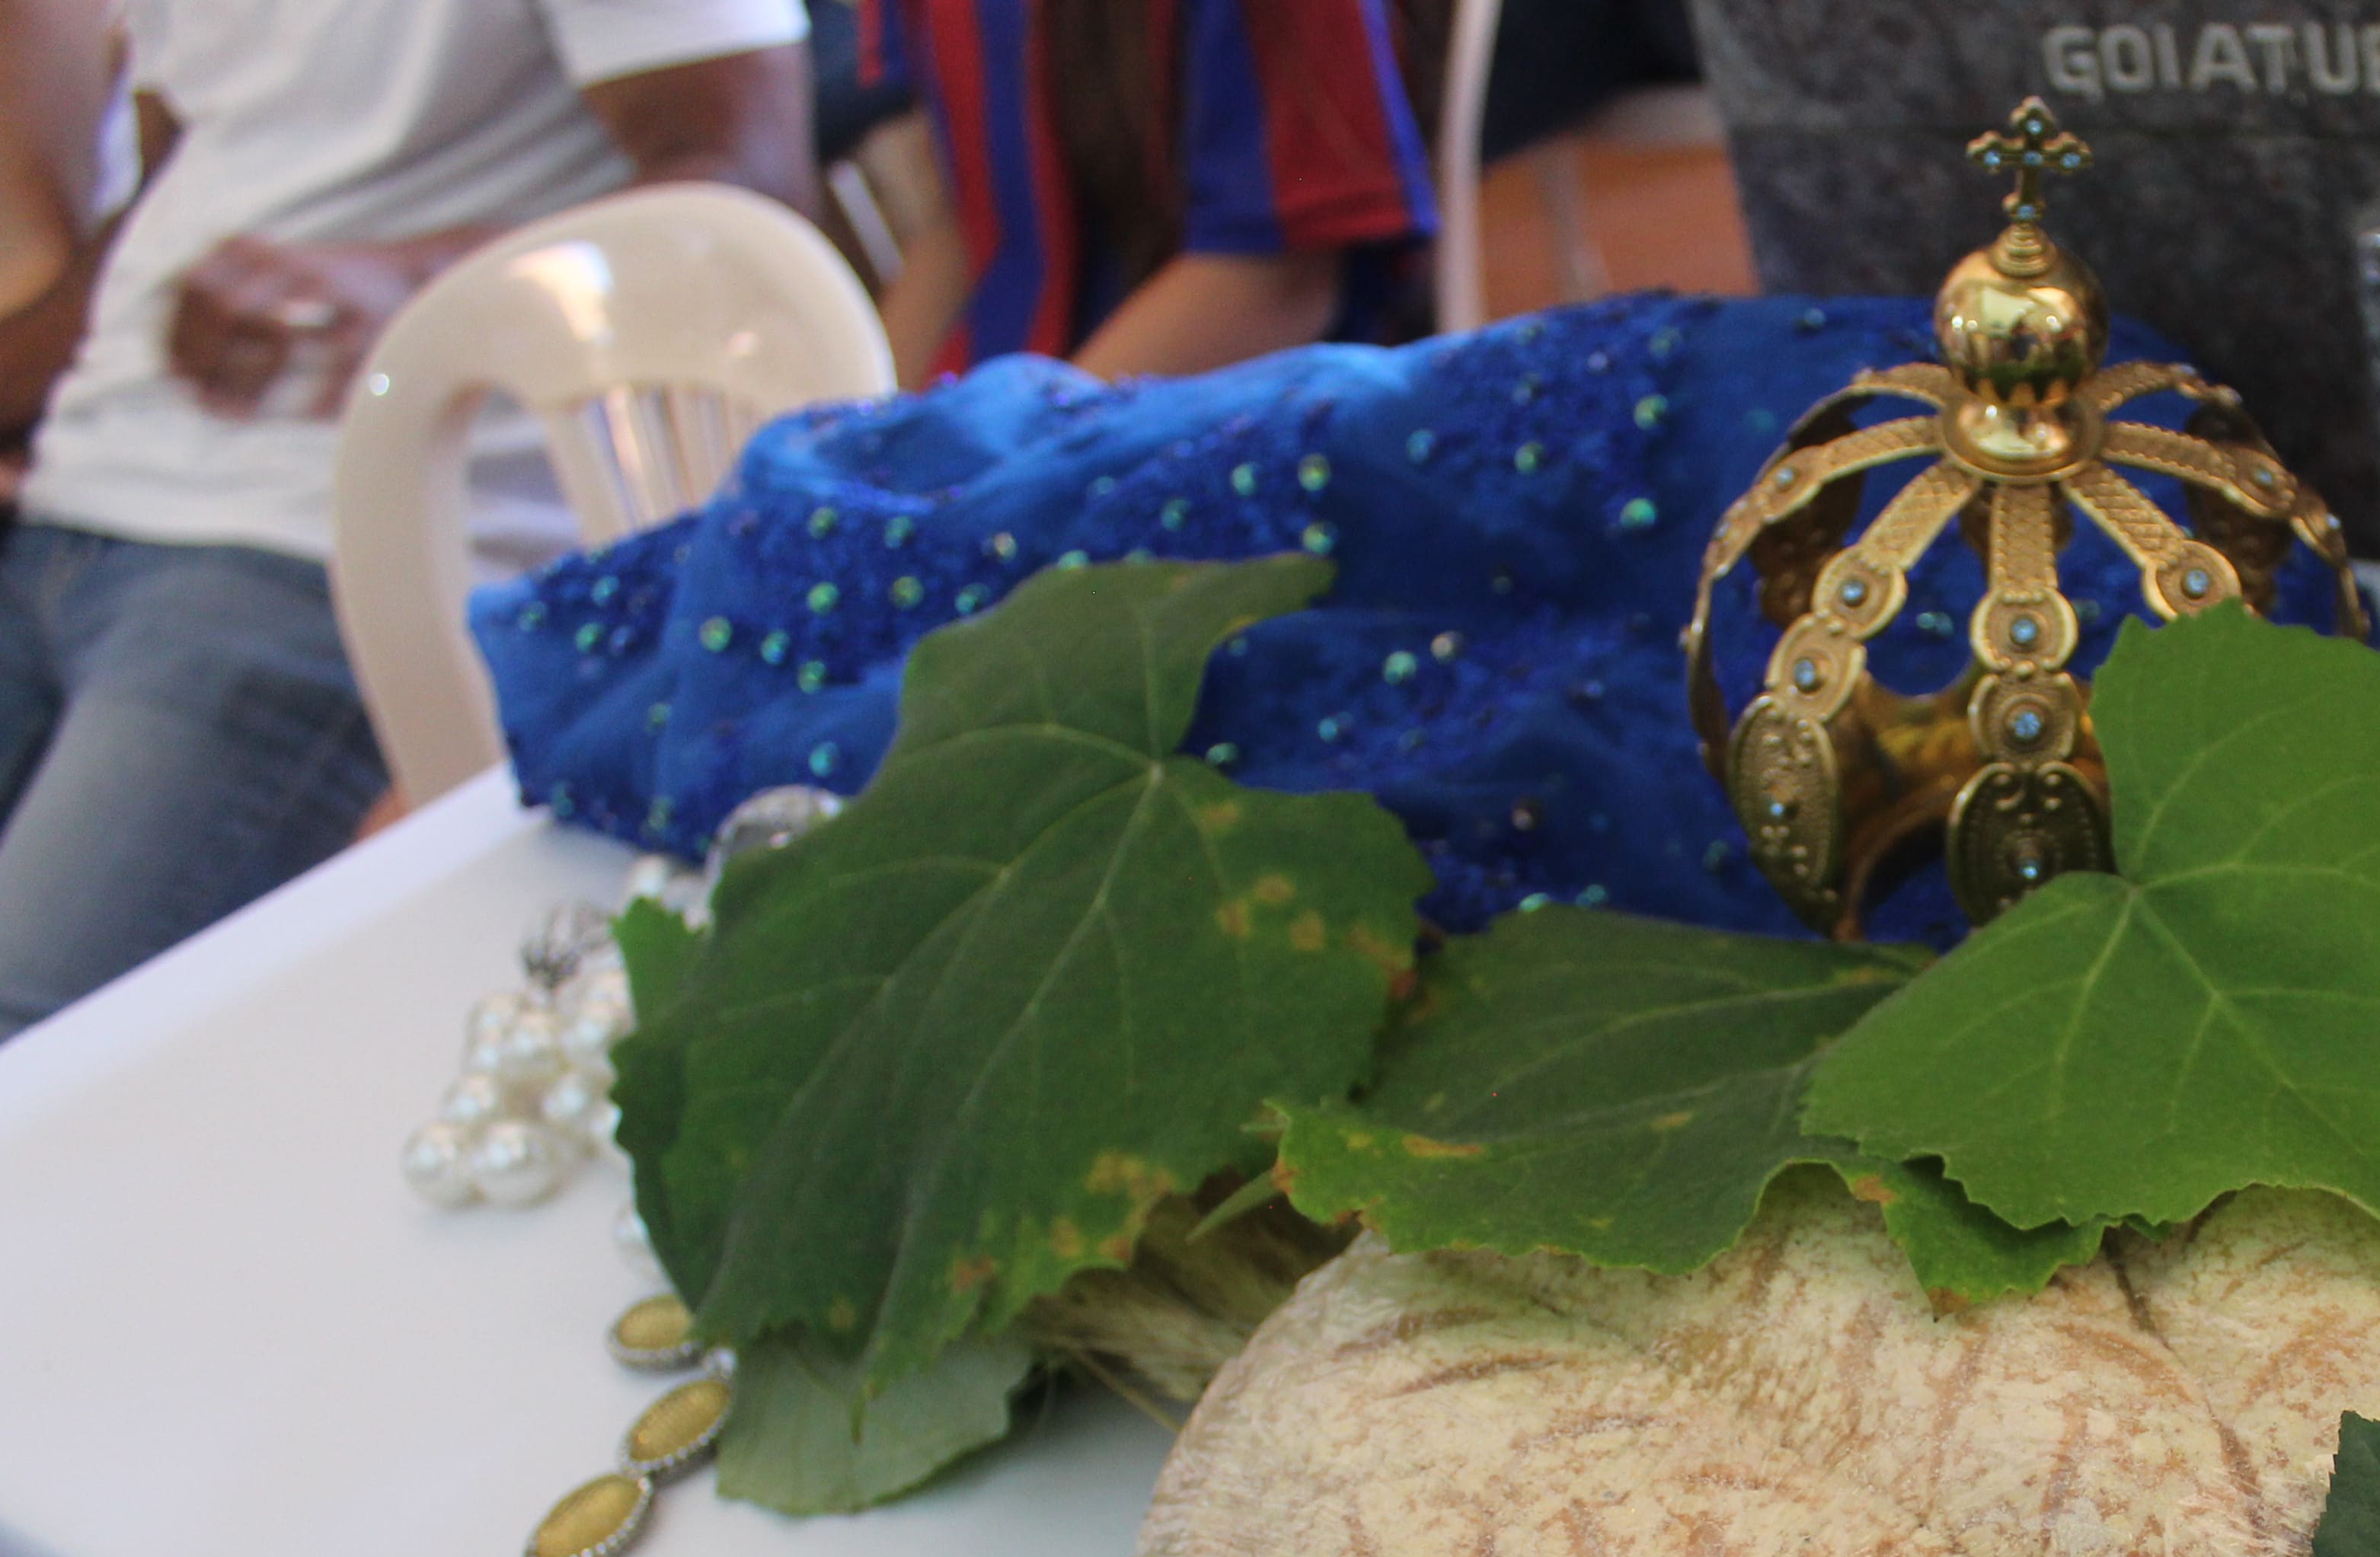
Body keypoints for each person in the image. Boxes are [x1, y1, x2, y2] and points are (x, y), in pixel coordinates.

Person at [0, 0, 818, 1042]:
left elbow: (748, 187)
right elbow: (190, 184)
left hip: (306, 538)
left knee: (29, 1039)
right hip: (78, 488)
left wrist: (415, 289)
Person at [866, 0, 1433, 384]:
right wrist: (861, 435)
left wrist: (998, 476)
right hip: (1012, 425)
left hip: (1212, 436)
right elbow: (966, 223)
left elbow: (1280, 282)